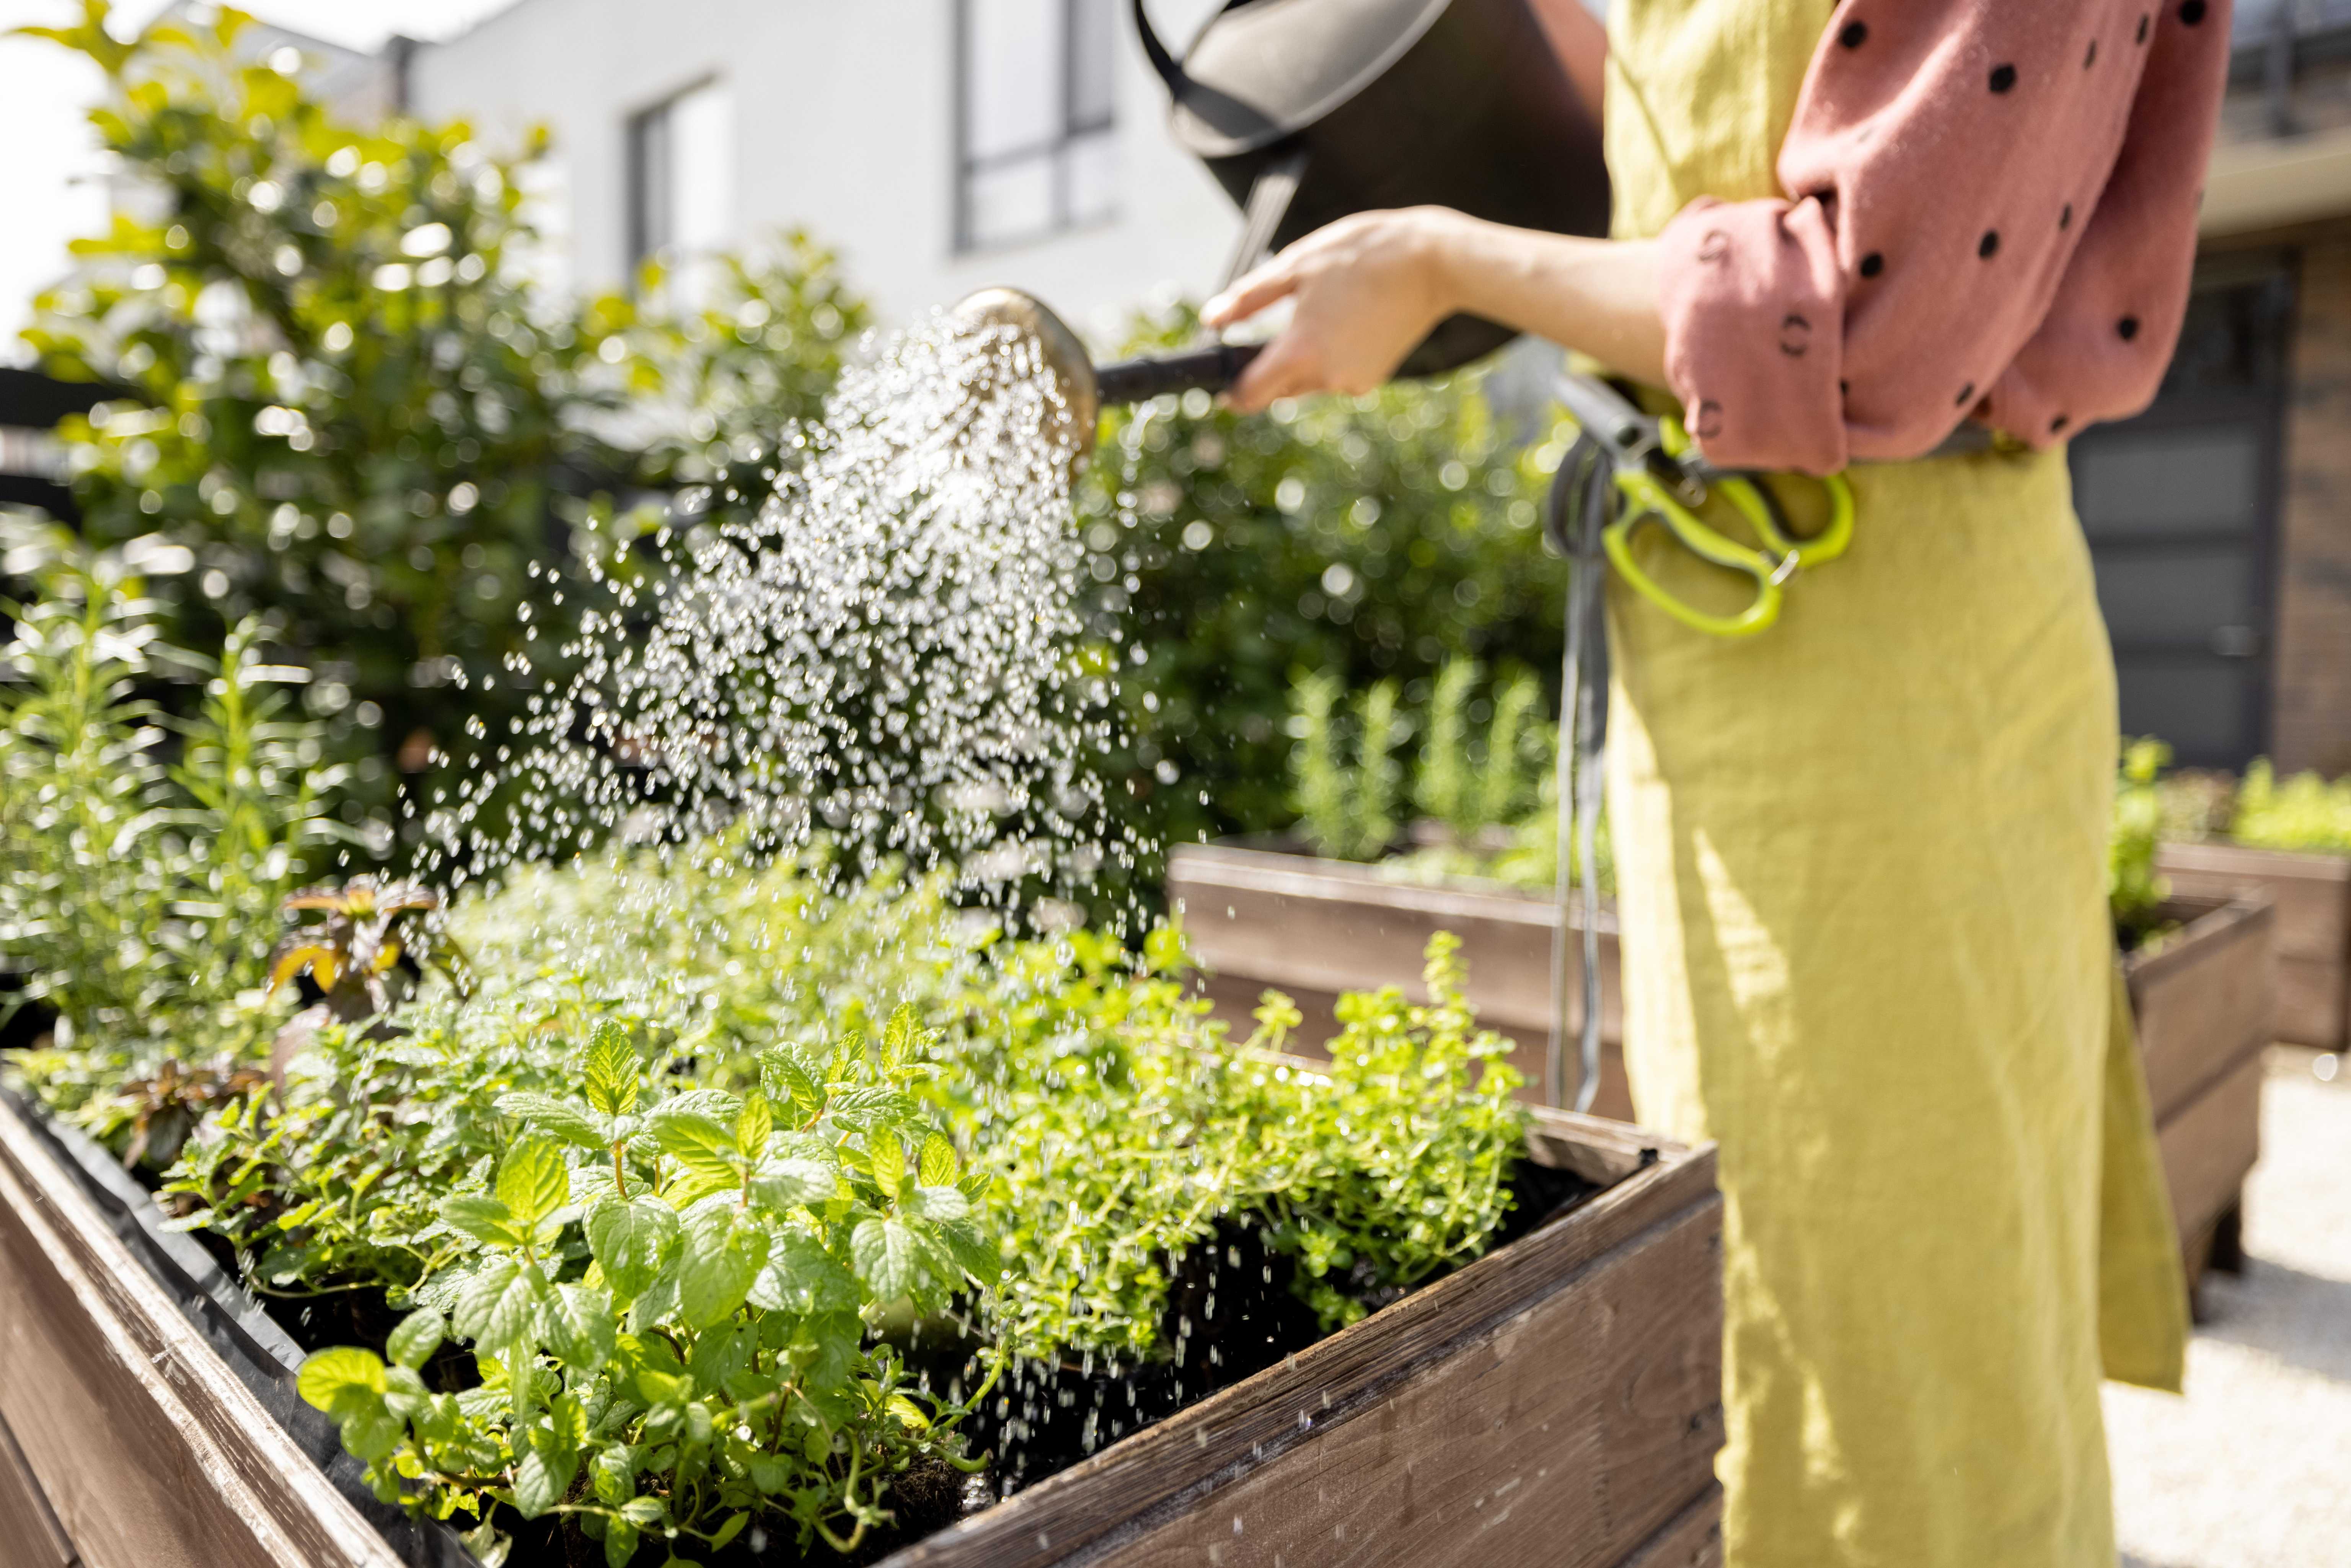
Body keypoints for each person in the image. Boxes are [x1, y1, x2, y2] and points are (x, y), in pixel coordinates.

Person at [1200, 2, 2233, 1565]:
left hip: (1893, 673)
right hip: (1720, 630)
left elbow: (1865, 313)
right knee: (1759, 1282)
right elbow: (1659, 150)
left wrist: (1444, 260)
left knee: (1896, 1334)